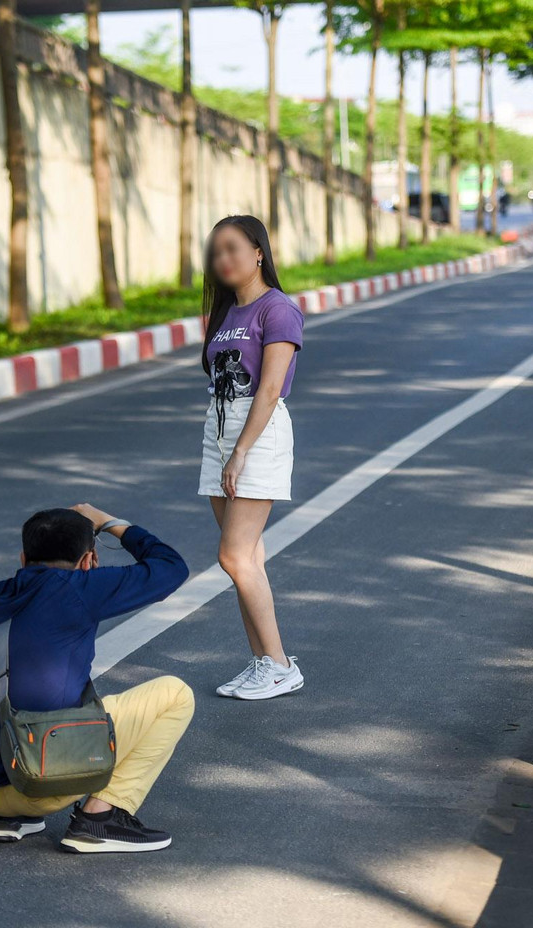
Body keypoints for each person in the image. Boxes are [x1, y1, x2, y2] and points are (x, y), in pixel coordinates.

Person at [0, 504, 192, 852]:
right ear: (89, 562)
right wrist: (109, 523)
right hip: (39, 781)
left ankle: (10, 818)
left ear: (22, 558)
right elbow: (170, 568)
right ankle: (100, 819)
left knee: (18, 687)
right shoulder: (79, 588)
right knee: (176, 694)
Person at [199, 215, 307, 700]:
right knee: (247, 559)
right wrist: (224, 446)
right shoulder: (224, 315)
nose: (223, 258)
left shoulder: (278, 309)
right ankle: (264, 661)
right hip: (219, 428)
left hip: (256, 434)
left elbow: (268, 390)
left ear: (258, 251)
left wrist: (240, 452)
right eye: (216, 251)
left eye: (233, 248)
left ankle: (282, 665)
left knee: (234, 555)